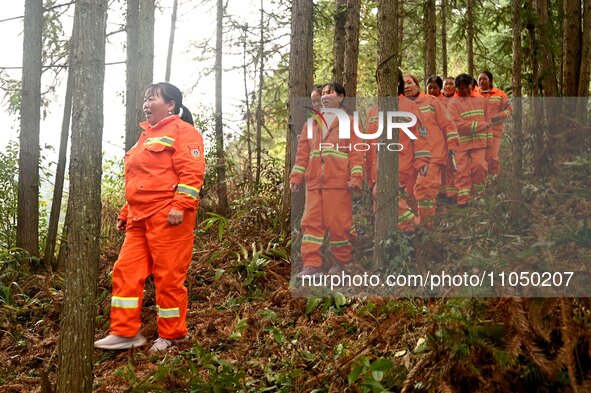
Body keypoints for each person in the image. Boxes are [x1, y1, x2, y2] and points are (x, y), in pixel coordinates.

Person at [94, 82, 205, 352]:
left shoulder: (184, 132)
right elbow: (139, 179)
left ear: (171, 105)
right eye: (145, 99)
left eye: (152, 99)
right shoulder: (145, 137)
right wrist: (125, 211)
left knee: (168, 277)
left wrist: (181, 204)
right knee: (125, 271)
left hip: (169, 216)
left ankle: (173, 335)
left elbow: (192, 172)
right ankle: (124, 333)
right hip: (138, 218)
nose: (145, 104)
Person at [290, 82, 364, 276]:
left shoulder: (350, 122)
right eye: (322, 93)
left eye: (329, 92)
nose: (324, 96)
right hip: (314, 184)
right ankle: (311, 265)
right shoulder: (311, 123)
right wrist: (296, 177)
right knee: (310, 224)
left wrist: (356, 177)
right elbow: (302, 155)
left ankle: (341, 262)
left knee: (339, 224)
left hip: (338, 184)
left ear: (340, 97)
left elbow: (357, 153)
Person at [365, 70, 431, 232]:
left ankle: (416, 225)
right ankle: (399, 241)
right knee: (384, 209)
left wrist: (422, 160)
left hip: (400, 162)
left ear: (397, 83)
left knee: (383, 194)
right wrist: (366, 172)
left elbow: (419, 134)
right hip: (376, 168)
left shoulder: (409, 106)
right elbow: (368, 142)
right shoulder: (374, 109)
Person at [403, 74, 458, 220]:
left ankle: (427, 226)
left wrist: (452, 147)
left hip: (433, 155)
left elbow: (448, 124)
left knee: (425, 189)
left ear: (417, 85)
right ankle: (415, 227)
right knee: (410, 193)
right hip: (409, 159)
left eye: (409, 82)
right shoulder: (400, 106)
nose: (406, 86)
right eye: (403, 84)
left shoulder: (431, 101)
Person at [446, 74, 490, 207]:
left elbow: (488, 120)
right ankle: (463, 199)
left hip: (479, 142)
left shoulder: (481, 100)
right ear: (456, 88)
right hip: (462, 144)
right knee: (462, 171)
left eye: (467, 88)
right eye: (461, 89)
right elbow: (457, 125)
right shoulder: (453, 104)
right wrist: (480, 126)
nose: (464, 91)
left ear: (472, 85)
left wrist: (489, 141)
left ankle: (477, 195)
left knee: (479, 167)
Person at [476, 70, 512, 176]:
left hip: (494, 131)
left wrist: (498, 117)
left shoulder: (500, 94)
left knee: (492, 157)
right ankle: (481, 183)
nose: (482, 81)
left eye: (484, 79)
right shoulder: (474, 94)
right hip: (478, 132)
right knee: (479, 160)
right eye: (480, 79)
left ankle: (493, 180)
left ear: (490, 80)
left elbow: (509, 110)